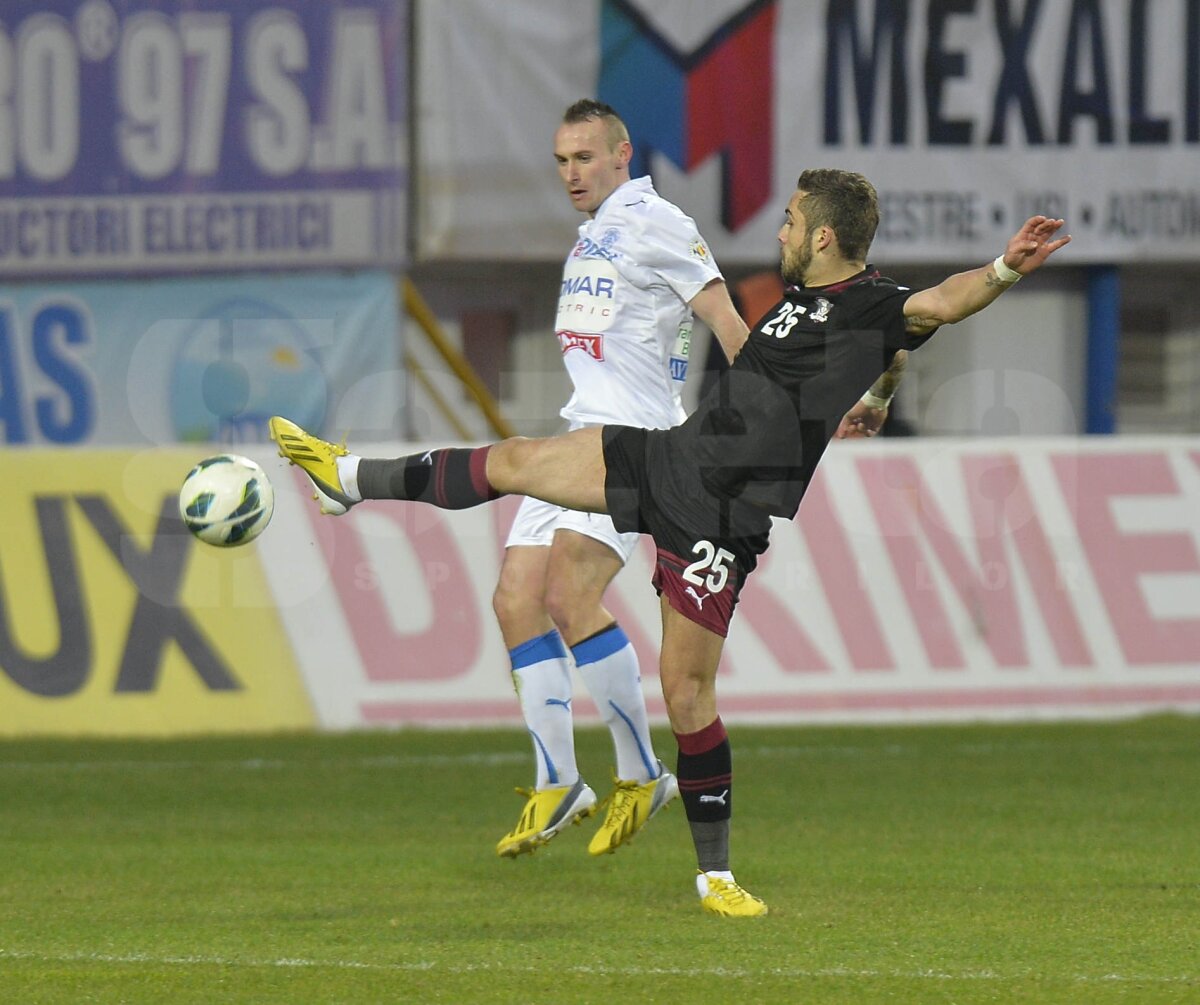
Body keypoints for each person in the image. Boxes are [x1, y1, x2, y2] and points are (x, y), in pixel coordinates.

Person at [270, 169, 1069, 916]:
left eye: (791, 220)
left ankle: (715, 873)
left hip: (723, 516)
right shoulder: (813, 306)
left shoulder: (870, 301)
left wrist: (1005, 267)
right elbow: (898, 349)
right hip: (676, 456)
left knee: (686, 693)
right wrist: (880, 396)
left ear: (823, 237)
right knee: (518, 460)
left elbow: (940, 304)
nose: (782, 232)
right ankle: (347, 477)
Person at [489, 99, 750, 860]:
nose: (571, 173)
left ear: (621, 153)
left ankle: (641, 772)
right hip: (581, 435)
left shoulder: (655, 220)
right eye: (561, 161)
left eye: (583, 158)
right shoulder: (593, 234)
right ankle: (559, 779)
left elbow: (725, 320)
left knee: (570, 594)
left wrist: (777, 414)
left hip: (635, 445)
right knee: (514, 599)